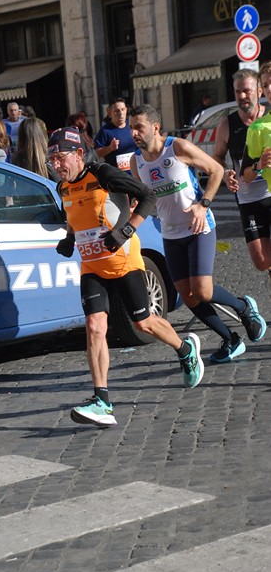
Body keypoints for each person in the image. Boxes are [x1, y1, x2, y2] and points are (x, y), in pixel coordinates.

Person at [48, 126, 205, 427]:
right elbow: (74, 215)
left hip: (123, 262)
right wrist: (70, 237)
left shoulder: (103, 174)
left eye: (60, 158)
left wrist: (126, 230)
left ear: (79, 154)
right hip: (92, 266)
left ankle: (185, 349)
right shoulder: (63, 187)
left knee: (143, 322)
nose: (56, 165)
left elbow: (146, 197)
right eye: (52, 160)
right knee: (95, 326)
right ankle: (102, 401)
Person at [129, 104, 266, 364]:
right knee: (188, 295)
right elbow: (146, 196)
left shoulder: (177, 147)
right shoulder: (137, 162)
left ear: (155, 127)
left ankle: (244, 307)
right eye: (131, 127)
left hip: (199, 227)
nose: (134, 132)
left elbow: (215, 170)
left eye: (139, 127)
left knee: (202, 290)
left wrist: (203, 205)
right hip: (170, 234)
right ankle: (230, 339)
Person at [213, 68, 271, 290]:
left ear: (258, 91)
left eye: (247, 91)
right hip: (248, 200)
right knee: (261, 261)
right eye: (238, 92)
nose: (242, 96)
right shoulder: (228, 125)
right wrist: (226, 173)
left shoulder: (269, 118)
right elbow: (217, 157)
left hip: (270, 192)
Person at [240, 61, 271, 293]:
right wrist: (259, 165)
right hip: (261, 200)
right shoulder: (257, 129)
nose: (270, 89)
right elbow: (247, 175)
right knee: (263, 261)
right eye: (266, 85)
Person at [94, 97, 136, 173]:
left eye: (123, 109)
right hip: (117, 176)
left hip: (136, 173)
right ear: (110, 113)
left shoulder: (132, 126)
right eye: (117, 111)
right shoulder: (105, 131)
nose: (120, 113)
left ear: (126, 110)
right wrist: (110, 148)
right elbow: (97, 154)